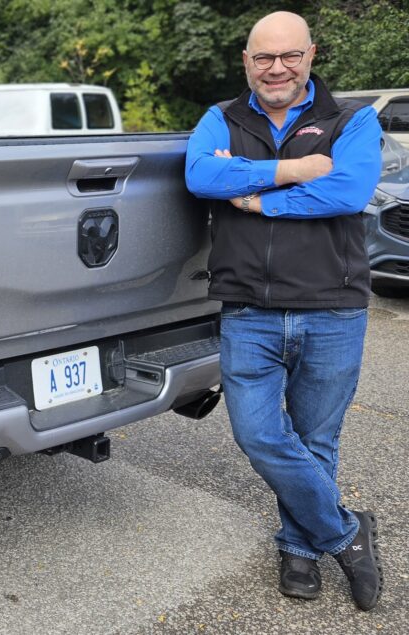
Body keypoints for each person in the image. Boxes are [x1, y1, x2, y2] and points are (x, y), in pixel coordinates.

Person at [184, 11, 383, 610]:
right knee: (259, 435)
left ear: (311, 55)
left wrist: (257, 201)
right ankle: (347, 537)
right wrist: (293, 170)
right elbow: (200, 174)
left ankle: (298, 548)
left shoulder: (352, 119)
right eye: (263, 57)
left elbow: (347, 190)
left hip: (333, 308)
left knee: (317, 437)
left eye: (288, 56)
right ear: (246, 61)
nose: (276, 68)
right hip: (248, 308)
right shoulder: (220, 118)